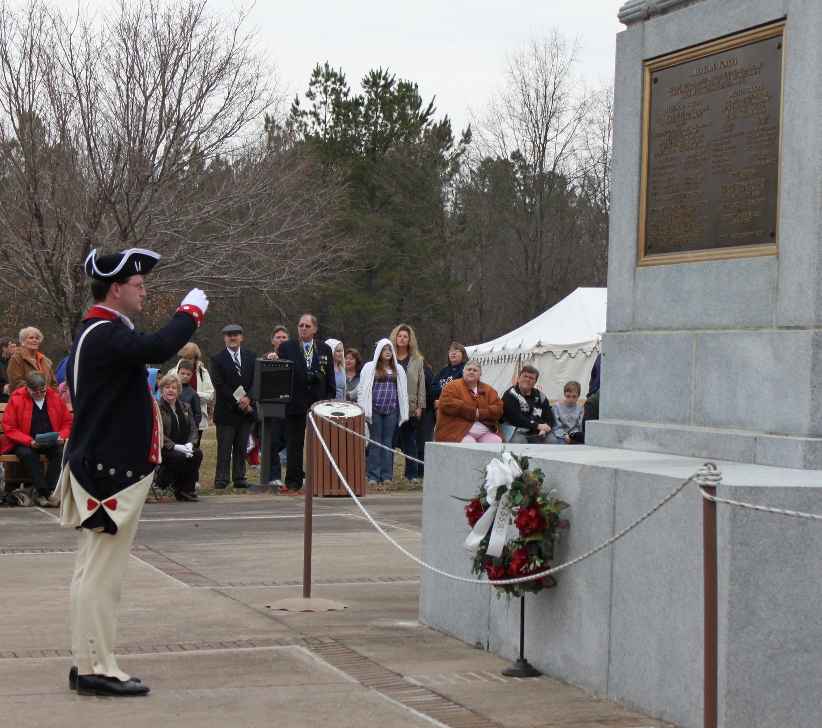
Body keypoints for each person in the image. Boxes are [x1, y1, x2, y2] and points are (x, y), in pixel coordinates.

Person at [60, 246, 207, 697]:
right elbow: (159, 346)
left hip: (103, 469)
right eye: (139, 285)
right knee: (102, 575)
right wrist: (191, 312)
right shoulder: (104, 332)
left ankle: (87, 659)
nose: (144, 292)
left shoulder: (102, 331)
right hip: (106, 475)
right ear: (116, 288)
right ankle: (96, 667)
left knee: (95, 571)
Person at [276, 313, 336, 494]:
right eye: (300, 325)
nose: (303, 329)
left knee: (319, 443)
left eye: (307, 326)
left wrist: (330, 398)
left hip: (317, 402)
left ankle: (318, 478)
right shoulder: (288, 347)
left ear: (315, 329)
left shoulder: (324, 349)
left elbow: (330, 376)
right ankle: (293, 481)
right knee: (294, 443)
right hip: (295, 401)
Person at [0, 371, 73, 506]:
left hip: (50, 440)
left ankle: (50, 490)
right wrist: (29, 441)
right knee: (28, 454)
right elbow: (9, 427)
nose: (39, 394)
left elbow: (67, 422)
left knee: (60, 451)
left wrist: (62, 436)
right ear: (27, 388)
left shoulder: (54, 397)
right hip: (24, 441)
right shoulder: (17, 398)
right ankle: (43, 493)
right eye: (35, 392)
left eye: (42, 391)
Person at [210, 324, 257, 490]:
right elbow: (219, 384)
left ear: (241, 337)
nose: (232, 337)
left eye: (235, 334)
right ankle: (221, 479)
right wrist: (240, 401)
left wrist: (249, 399)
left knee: (241, 446)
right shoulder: (216, 359)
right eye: (229, 335)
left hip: (246, 413)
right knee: (224, 448)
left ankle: (239, 478)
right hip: (227, 411)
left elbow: (255, 381)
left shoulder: (251, 356)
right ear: (224, 338)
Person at [358, 338, 409, 485]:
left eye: (389, 350)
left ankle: (386, 475)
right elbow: (363, 388)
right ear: (379, 352)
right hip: (374, 409)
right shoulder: (370, 367)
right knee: (375, 442)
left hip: (391, 410)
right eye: (384, 350)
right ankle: (373, 475)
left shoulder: (398, 369)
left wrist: (403, 411)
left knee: (388, 443)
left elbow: (403, 392)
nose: (387, 352)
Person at [156, 373, 203, 502]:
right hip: (165, 448)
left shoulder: (185, 407)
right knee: (179, 456)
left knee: (197, 453)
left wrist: (190, 444)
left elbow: (193, 429)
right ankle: (165, 482)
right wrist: (175, 446)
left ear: (178, 391)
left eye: (174, 387)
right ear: (162, 390)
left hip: (184, 447)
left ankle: (186, 490)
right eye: (167, 387)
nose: (170, 390)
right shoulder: (157, 408)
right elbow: (158, 432)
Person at [435, 359, 503, 444]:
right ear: (463, 372)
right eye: (469, 369)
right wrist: (473, 412)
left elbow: (498, 409)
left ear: (480, 374)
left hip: (485, 431)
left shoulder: (489, 390)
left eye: (475, 370)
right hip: (457, 431)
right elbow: (447, 403)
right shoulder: (452, 386)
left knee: (496, 441)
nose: (471, 372)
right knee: (469, 444)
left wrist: (481, 413)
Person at [389, 324, 426, 480]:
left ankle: (411, 475)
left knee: (410, 441)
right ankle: (386, 474)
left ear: (410, 340)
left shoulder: (417, 360)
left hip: (409, 406)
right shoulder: (388, 356)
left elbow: (421, 384)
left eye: (405, 336)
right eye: (399, 336)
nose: (402, 339)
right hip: (390, 404)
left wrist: (420, 405)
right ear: (395, 337)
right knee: (389, 440)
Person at [169, 342, 215, 441]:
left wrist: (194, 396)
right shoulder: (173, 372)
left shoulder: (203, 372)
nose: (188, 361)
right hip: (176, 417)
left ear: (195, 358)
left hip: (197, 416)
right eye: (185, 358)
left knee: (193, 447)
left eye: (190, 358)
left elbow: (210, 394)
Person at [501, 365, 556, 443]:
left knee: (552, 440)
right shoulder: (510, 394)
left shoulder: (540, 396)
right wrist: (538, 426)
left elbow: (549, 417)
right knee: (519, 442)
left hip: (538, 431)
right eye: (525, 376)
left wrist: (545, 428)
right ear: (519, 378)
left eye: (531, 378)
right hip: (516, 431)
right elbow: (516, 419)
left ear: (535, 382)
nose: (527, 379)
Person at [6, 326, 57, 392]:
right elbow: (16, 383)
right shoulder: (16, 358)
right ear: (23, 341)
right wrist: (39, 391)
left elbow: (54, 384)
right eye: (31, 338)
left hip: (46, 400)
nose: (34, 340)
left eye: (37, 338)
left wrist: (51, 396)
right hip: (24, 399)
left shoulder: (46, 361)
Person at [415, 358, 436, 477]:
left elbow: (430, 392)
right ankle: (417, 471)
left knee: (423, 442)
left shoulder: (426, 371)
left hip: (426, 411)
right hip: (415, 410)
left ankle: (422, 471)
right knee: (416, 442)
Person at [431, 342, 467, 408]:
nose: (453, 353)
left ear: (463, 354)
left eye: (457, 351)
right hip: (441, 409)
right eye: (451, 351)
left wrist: (444, 393)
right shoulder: (443, 371)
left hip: (459, 408)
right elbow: (433, 387)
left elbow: (461, 390)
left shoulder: (466, 370)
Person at [176, 360, 203, 444]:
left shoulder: (193, 394)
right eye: (182, 373)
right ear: (177, 373)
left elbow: (198, 415)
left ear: (192, 375)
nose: (185, 376)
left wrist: (191, 429)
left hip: (186, 431)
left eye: (188, 374)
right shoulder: (171, 389)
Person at [0, 336, 14, 403]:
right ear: (4, 348)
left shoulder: (13, 362)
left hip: (12, 398)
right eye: (11, 346)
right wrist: (2, 388)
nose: (14, 349)